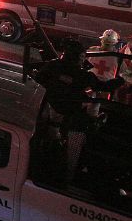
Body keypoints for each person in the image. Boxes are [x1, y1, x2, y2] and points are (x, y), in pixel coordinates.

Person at [36, 40, 125, 182]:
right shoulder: (83, 76)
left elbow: (38, 78)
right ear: (79, 58)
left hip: (46, 110)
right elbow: (104, 86)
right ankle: (68, 175)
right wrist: (120, 80)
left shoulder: (53, 66)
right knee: (77, 144)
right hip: (71, 120)